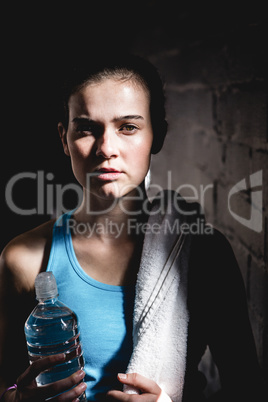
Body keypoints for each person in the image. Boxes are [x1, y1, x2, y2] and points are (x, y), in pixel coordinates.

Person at [0, 53, 265, 402]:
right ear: (64, 139)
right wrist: (17, 399)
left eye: (128, 127)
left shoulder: (202, 254)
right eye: (87, 129)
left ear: (158, 135)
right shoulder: (25, 259)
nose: (106, 148)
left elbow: (248, 391)